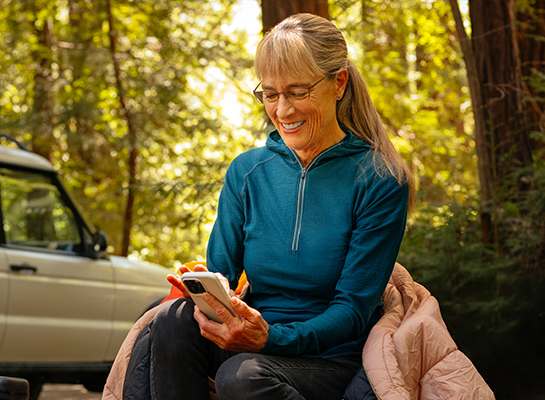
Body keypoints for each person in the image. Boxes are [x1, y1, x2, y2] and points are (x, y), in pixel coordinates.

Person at [124, 14, 412, 400]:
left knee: (241, 376)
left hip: (328, 359)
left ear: (338, 83)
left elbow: (352, 311)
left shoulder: (379, 178)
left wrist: (271, 338)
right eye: (271, 94)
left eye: (297, 92)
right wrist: (210, 292)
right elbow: (219, 271)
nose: (282, 111)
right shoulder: (247, 171)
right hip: (247, 341)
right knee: (172, 320)